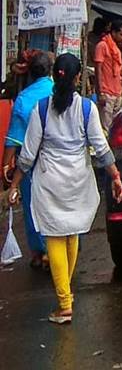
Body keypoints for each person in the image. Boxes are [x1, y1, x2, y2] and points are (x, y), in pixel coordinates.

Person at [6, 54, 122, 324]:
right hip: (77, 180)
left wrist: (14, 184)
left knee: (55, 237)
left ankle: (64, 303)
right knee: (71, 235)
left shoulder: (41, 109)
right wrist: (115, 176)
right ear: (78, 78)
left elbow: (27, 155)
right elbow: (102, 148)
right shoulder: (86, 108)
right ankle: (65, 297)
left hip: (49, 183)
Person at [3, 51, 53, 269]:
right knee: (55, 202)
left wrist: (6, 165)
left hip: (30, 163)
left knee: (33, 206)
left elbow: (14, 137)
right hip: (58, 158)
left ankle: (40, 251)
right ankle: (60, 246)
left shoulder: (24, 99)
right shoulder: (58, 90)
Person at [94, 20, 122, 132]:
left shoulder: (116, 49)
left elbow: (116, 69)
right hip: (106, 93)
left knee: (116, 129)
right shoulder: (102, 46)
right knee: (106, 129)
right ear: (113, 32)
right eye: (121, 34)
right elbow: (98, 70)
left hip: (117, 93)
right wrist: (101, 93)